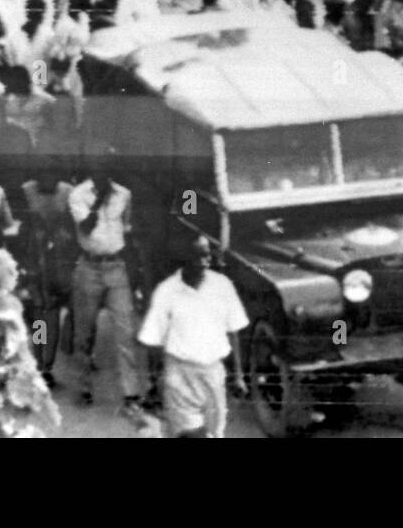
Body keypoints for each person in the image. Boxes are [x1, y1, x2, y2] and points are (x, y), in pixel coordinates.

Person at [137, 236, 249, 438]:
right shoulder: (166, 291)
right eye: (197, 257)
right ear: (182, 260)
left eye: (207, 255)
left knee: (215, 432)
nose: (204, 261)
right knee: (191, 434)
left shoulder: (222, 286)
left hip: (214, 373)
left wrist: (239, 375)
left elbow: (234, 330)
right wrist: (155, 381)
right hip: (180, 375)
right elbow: (152, 338)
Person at [68, 165, 144, 417]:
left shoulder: (124, 194)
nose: (104, 174)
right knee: (85, 332)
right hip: (89, 266)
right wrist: (100, 198)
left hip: (116, 266)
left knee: (126, 331)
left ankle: (131, 394)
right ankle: (84, 387)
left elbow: (128, 230)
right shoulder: (78, 194)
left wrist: (133, 269)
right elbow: (86, 227)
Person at [19, 164, 77, 387]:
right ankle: (37, 363)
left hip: (59, 262)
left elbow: (71, 228)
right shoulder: (27, 191)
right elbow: (23, 227)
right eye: (44, 173)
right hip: (35, 260)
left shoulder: (67, 192)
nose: (48, 179)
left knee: (51, 317)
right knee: (39, 318)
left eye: (52, 173)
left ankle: (45, 366)